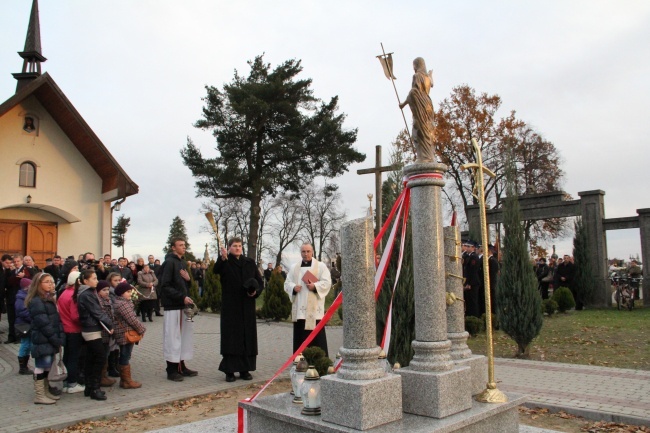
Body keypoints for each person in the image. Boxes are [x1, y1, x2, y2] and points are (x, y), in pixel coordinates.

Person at [213, 237, 264, 383]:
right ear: (229, 248)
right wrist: (222, 259)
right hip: (231, 306)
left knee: (246, 337)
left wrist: (255, 292)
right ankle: (229, 371)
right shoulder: (225, 262)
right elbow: (216, 271)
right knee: (232, 338)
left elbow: (259, 282)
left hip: (247, 306)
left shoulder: (249, 263)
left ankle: (245, 369)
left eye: (240, 246)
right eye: (234, 246)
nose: (237, 248)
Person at [283, 243, 332, 357]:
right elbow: (287, 283)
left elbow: (327, 283)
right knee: (301, 337)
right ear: (300, 253)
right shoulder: (295, 267)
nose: (306, 254)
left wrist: (315, 286)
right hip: (300, 309)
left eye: (308, 251)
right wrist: (293, 288)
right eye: (303, 252)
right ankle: (299, 361)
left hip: (314, 311)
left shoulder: (320, 266)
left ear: (312, 252)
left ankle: (319, 360)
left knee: (316, 338)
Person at [160, 238, 197, 381]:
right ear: (173, 248)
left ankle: (181, 365)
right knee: (172, 337)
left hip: (183, 306)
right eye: (180, 245)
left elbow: (184, 285)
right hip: (173, 306)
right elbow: (165, 286)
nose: (184, 247)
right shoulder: (169, 263)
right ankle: (171, 369)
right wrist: (181, 297)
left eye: (185, 245)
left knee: (183, 337)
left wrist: (188, 280)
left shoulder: (182, 263)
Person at [25, 272, 65, 405]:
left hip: (50, 338)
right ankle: (39, 394)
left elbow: (55, 320)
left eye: (52, 281)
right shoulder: (37, 301)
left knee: (47, 366)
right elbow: (43, 323)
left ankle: (46, 390)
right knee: (41, 366)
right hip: (43, 338)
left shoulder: (49, 298)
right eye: (47, 282)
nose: (51, 284)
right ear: (39, 284)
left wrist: (59, 335)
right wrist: (54, 338)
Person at [76, 269, 113, 400]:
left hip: (92, 327)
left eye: (97, 278)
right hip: (90, 329)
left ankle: (90, 387)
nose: (96, 281)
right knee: (100, 357)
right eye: (94, 278)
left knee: (91, 358)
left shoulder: (89, 292)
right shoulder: (87, 294)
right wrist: (110, 324)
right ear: (85, 281)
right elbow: (97, 312)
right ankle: (95, 388)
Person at [399, 57, 435, 162]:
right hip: (428, 104)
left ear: (416, 65)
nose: (413, 68)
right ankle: (429, 156)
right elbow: (432, 84)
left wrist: (403, 104)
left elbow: (413, 92)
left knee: (419, 130)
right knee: (428, 128)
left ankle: (424, 157)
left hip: (420, 106)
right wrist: (430, 75)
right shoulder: (427, 77)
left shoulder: (417, 76)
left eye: (414, 65)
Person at [56, 271, 85, 394]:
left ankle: (66, 382)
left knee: (68, 356)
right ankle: (72, 383)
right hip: (73, 330)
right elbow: (75, 316)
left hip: (65, 328)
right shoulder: (73, 295)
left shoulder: (63, 293)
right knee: (73, 357)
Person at [113, 282, 146, 389]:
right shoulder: (123, 304)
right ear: (121, 293)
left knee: (125, 354)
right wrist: (141, 329)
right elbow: (131, 319)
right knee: (125, 355)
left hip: (124, 331)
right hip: (125, 332)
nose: (130, 293)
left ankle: (125, 380)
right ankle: (126, 381)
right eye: (127, 292)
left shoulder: (122, 302)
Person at [15, 278, 34, 375]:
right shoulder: (21, 297)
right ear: (26, 287)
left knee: (28, 344)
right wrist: (33, 317)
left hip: (27, 324)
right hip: (24, 324)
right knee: (25, 344)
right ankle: (22, 367)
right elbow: (22, 311)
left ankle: (25, 365)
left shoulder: (26, 296)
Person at [463, 242, 481, 317]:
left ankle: (474, 317)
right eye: (466, 246)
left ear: (473, 247)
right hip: (469, 281)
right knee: (469, 301)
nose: (467, 248)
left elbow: (473, 271)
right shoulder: (468, 256)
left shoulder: (474, 257)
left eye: (468, 246)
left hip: (473, 283)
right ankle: (470, 316)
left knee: (473, 302)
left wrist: (469, 283)